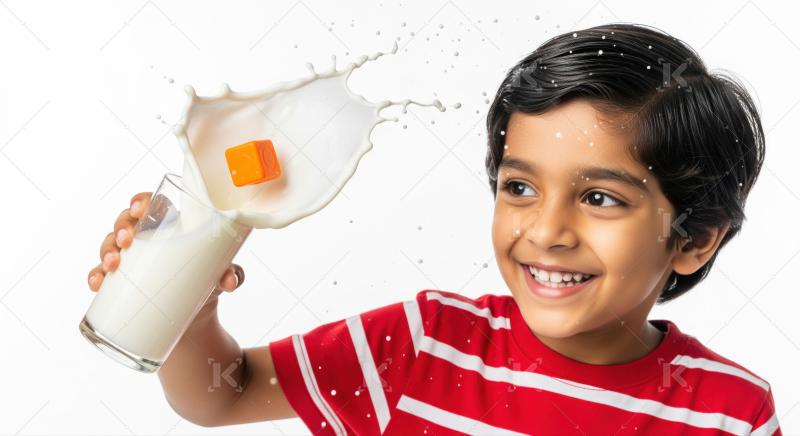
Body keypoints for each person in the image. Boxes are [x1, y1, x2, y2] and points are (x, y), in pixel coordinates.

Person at [86, 23, 781, 435]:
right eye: (519, 187)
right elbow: (222, 393)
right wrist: (189, 307)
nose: (546, 229)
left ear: (695, 238)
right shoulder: (426, 343)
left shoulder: (727, 414)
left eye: (600, 198)